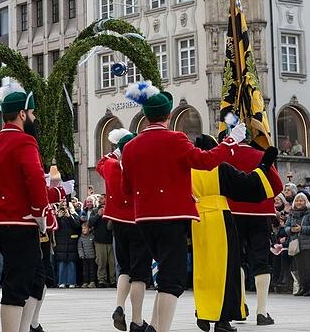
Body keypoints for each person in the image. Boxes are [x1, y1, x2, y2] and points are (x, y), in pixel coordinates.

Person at [120, 81, 247, 332]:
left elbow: (126, 188)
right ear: (168, 116)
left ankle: (154, 327)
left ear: (145, 116)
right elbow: (206, 160)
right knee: (173, 279)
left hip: (143, 218)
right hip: (172, 216)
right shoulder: (176, 139)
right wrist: (231, 143)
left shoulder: (131, 145)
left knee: (165, 274)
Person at [188, 135, 281, 332]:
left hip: (197, 220)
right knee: (227, 268)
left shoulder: (189, 169)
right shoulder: (220, 167)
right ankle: (224, 320)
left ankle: (203, 313)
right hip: (219, 217)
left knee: (204, 270)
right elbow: (247, 184)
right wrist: (264, 164)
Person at [0, 80, 48, 332]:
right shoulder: (24, 142)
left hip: (0, 219)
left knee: (36, 279)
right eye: (31, 113)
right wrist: (39, 212)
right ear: (22, 114)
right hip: (19, 220)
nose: (33, 117)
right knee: (17, 284)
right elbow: (33, 177)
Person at [97, 130, 151, 332]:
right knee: (140, 273)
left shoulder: (110, 166)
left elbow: (103, 160)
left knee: (124, 269)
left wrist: (118, 150)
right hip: (138, 222)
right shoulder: (141, 168)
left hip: (117, 222)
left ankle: (119, 306)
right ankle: (137, 320)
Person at [286, 192, 310, 296]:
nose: (298, 202)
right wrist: (291, 230)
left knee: (309, 268)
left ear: (306, 202)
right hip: (297, 244)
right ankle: (302, 288)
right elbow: (286, 227)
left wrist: (301, 229)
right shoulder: (292, 214)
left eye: (301, 200)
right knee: (300, 268)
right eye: (297, 200)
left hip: (309, 245)